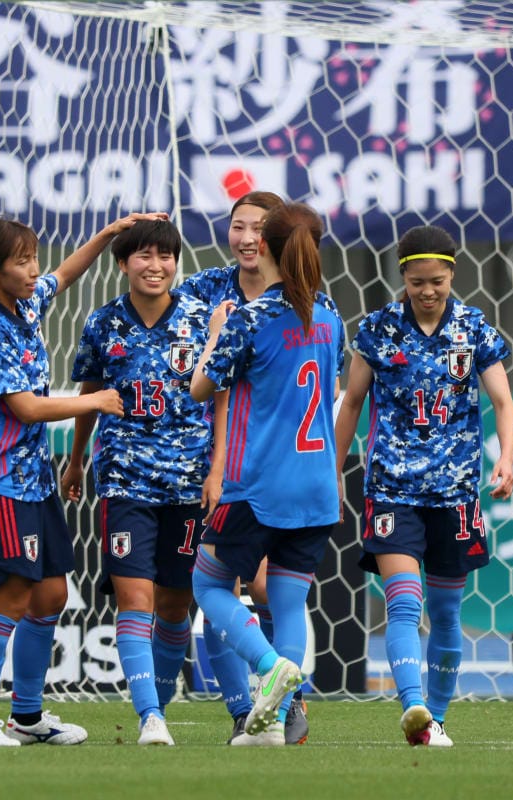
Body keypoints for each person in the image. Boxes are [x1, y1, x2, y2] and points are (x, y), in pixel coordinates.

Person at [0, 214, 166, 746]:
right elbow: (26, 408)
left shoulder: (24, 299)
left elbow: (65, 273)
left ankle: (28, 716)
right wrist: (98, 399)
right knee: (11, 597)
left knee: (51, 596)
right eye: (22, 261)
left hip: (34, 484)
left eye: (33, 257)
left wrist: (109, 235)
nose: (34, 269)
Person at [334, 224, 513, 747]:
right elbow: (351, 404)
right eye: (416, 282)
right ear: (403, 278)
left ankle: (435, 719)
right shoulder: (376, 328)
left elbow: (503, 402)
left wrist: (505, 457)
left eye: (436, 280)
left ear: (452, 274)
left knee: (445, 612)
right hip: (391, 487)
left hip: (456, 493)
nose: (428, 291)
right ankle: (412, 703)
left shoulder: (474, 328)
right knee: (403, 603)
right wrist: (334, 470)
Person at [190, 200, 344, 744]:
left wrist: (214, 333)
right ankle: (273, 726)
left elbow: (201, 388)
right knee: (288, 601)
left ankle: (268, 667)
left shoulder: (249, 317)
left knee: (208, 584)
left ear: (271, 249)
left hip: (259, 486)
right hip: (318, 486)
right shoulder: (330, 316)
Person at [60, 218, 218, 746]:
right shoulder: (104, 323)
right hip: (125, 480)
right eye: (144, 256)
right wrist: (77, 458)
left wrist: (220, 467)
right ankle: (149, 715)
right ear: (123, 263)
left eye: (166, 256)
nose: (156, 266)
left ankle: (161, 705)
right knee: (135, 598)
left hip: (190, 483)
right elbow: (89, 389)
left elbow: (222, 395)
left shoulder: (200, 320)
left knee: (176, 606)